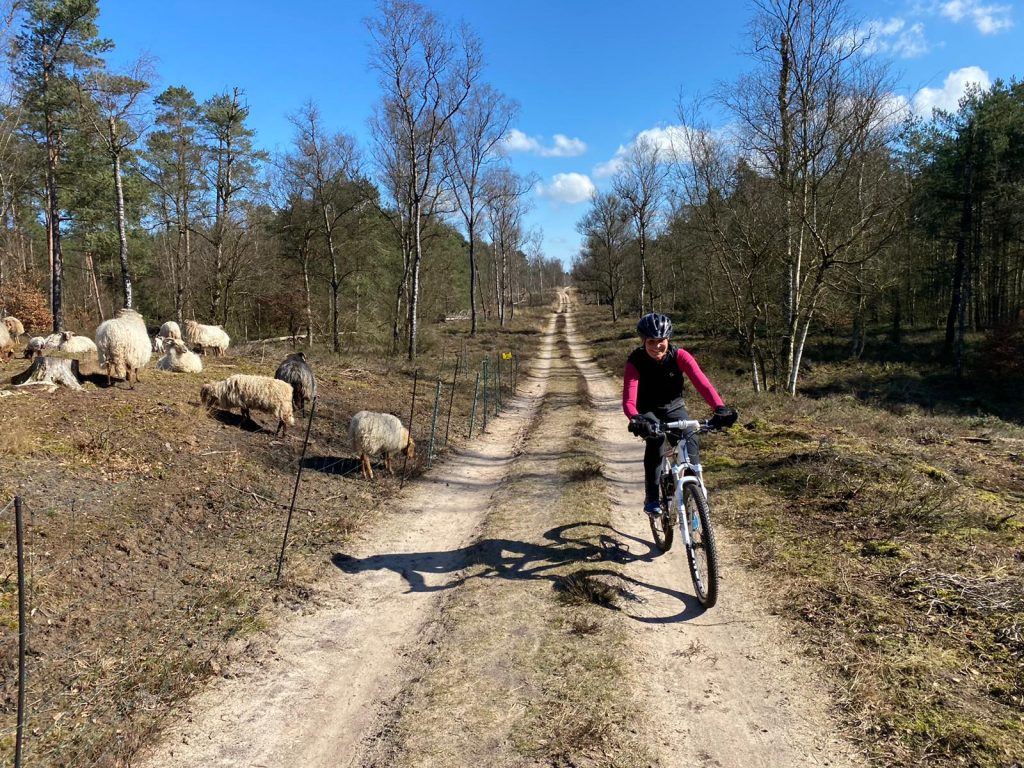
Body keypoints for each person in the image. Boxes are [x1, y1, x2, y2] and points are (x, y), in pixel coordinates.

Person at [622, 312, 737, 516]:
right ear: (643, 341)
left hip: (674, 406)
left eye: (661, 340)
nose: (657, 345)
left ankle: (694, 494)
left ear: (668, 339)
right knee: (656, 439)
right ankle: (651, 496)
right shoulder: (636, 361)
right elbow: (629, 400)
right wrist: (636, 418)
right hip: (647, 410)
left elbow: (703, 383)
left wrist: (719, 408)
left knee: (690, 435)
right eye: (651, 341)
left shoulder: (680, 356)